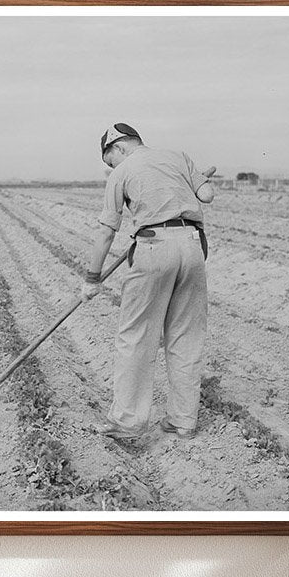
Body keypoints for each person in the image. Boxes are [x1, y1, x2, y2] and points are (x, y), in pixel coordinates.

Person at [81, 123, 214, 440]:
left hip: (154, 247)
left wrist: (92, 278)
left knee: (136, 336)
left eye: (110, 160)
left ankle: (127, 422)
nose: (111, 167)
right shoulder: (178, 156)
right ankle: (183, 421)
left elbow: (106, 232)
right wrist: (198, 181)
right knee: (185, 337)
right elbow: (207, 195)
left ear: (119, 147)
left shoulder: (122, 172)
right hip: (192, 247)